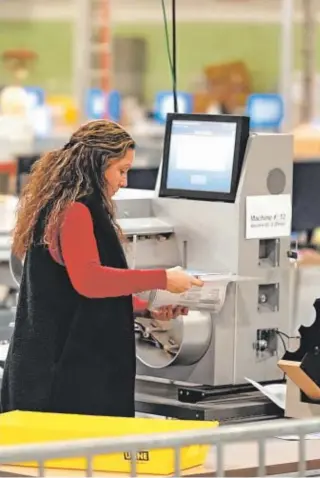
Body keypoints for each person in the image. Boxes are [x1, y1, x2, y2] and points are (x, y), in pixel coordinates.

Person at [0, 119, 203, 418]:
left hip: (51, 371)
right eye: (121, 171)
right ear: (98, 164)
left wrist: (145, 309)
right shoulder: (76, 211)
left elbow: (73, 291)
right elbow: (89, 280)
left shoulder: (60, 205)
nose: (124, 182)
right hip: (63, 380)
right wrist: (163, 279)